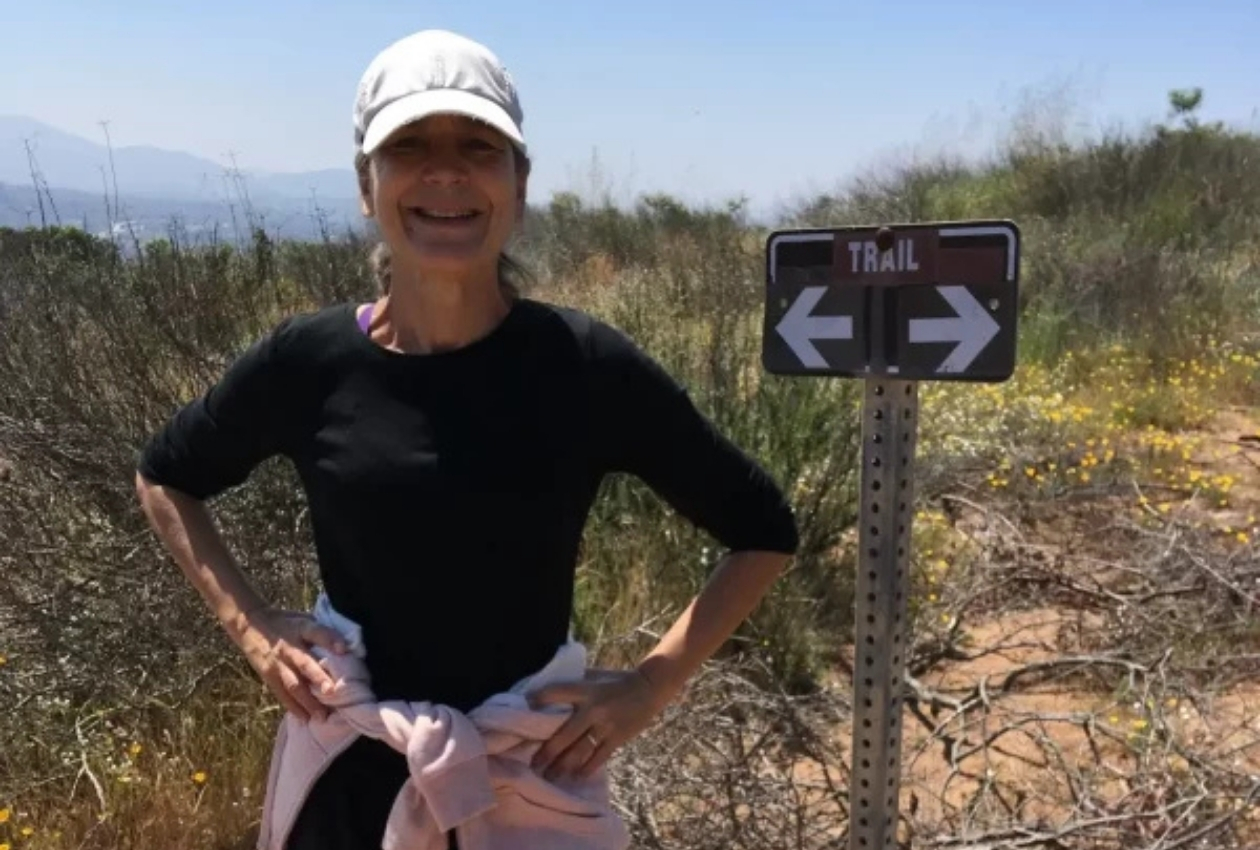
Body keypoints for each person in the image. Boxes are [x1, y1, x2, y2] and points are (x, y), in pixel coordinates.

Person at [134, 28, 800, 850]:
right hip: (349, 780)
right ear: (367, 185)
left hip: (527, 784)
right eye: (409, 146)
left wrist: (650, 686)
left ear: (519, 184)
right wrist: (253, 628)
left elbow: (762, 529)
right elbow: (166, 476)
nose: (445, 172)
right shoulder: (308, 362)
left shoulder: (586, 366)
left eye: (479, 147)